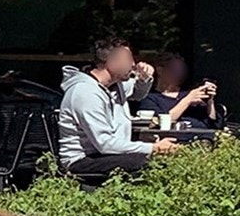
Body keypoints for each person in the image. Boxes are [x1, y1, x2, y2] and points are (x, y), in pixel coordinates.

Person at [57, 38, 176, 177]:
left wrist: (144, 78)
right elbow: (105, 144)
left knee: (157, 160)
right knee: (148, 163)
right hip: (83, 159)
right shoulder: (85, 93)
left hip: (106, 154)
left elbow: (138, 94)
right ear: (112, 62)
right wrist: (153, 148)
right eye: (128, 59)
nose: (133, 65)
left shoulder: (114, 86)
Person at [137, 53, 222, 130]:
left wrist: (210, 102)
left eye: (183, 70)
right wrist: (187, 100)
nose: (180, 74)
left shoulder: (192, 95)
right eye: (175, 70)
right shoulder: (150, 98)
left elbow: (214, 125)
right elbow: (158, 124)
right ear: (160, 70)